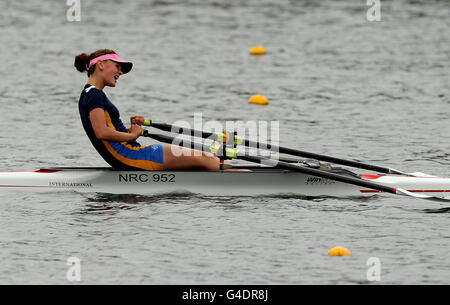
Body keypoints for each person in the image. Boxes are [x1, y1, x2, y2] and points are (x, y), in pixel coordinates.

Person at [74, 49, 220, 171]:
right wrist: (131, 136)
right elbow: (101, 133)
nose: (121, 72)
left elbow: (105, 130)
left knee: (211, 161)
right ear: (100, 64)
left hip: (128, 155)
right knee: (210, 160)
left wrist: (130, 130)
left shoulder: (88, 94)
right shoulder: (95, 95)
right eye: (117, 66)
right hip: (131, 156)